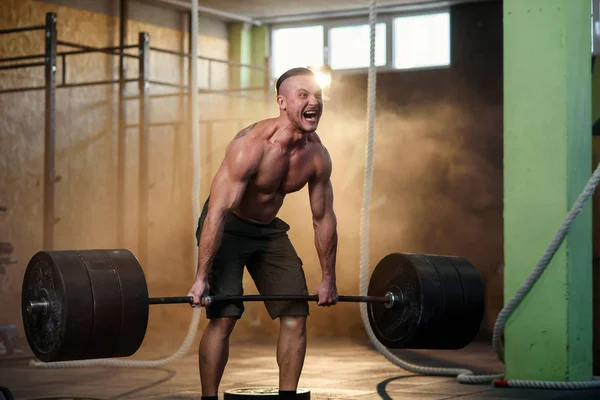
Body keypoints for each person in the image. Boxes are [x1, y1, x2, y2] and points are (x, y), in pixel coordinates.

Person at [187, 67, 339, 399]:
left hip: (268, 231)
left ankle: (287, 397)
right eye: (304, 95)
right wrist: (201, 278)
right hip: (227, 227)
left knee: (296, 313)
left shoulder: (317, 156)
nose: (314, 102)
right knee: (224, 318)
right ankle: (208, 398)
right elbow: (217, 211)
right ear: (282, 103)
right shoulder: (250, 146)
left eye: (318, 96)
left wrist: (328, 278)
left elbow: (323, 217)